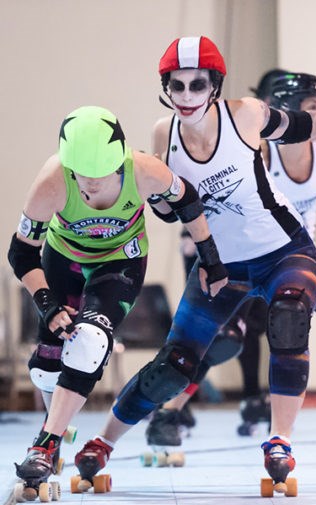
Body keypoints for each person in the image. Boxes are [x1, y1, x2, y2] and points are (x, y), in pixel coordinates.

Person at [73, 35, 316, 492]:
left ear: (215, 85)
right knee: (174, 364)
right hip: (220, 265)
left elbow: (306, 124)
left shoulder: (246, 114)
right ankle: (102, 443)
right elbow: (168, 202)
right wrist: (160, 203)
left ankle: (279, 439)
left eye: (196, 86)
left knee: (289, 316)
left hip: (286, 252)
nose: (186, 98)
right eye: (176, 86)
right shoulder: (166, 132)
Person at [146, 72, 316, 457]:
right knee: (223, 341)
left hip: (297, 257)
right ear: (288, 111)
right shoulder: (259, 151)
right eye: (312, 109)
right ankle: (167, 414)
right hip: (247, 256)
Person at [7, 105, 227, 498]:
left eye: (100, 177)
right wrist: (48, 304)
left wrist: (211, 259)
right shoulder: (52, 180)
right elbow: (21, 255)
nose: (89, 186)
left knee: (90, 342)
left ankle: (45, 445)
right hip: (64, 261)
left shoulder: (144, 170)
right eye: (81, 177)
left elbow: (188, 201)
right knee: (45, 366)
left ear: (120, 161)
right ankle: (54, 427)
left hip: (120, 261)